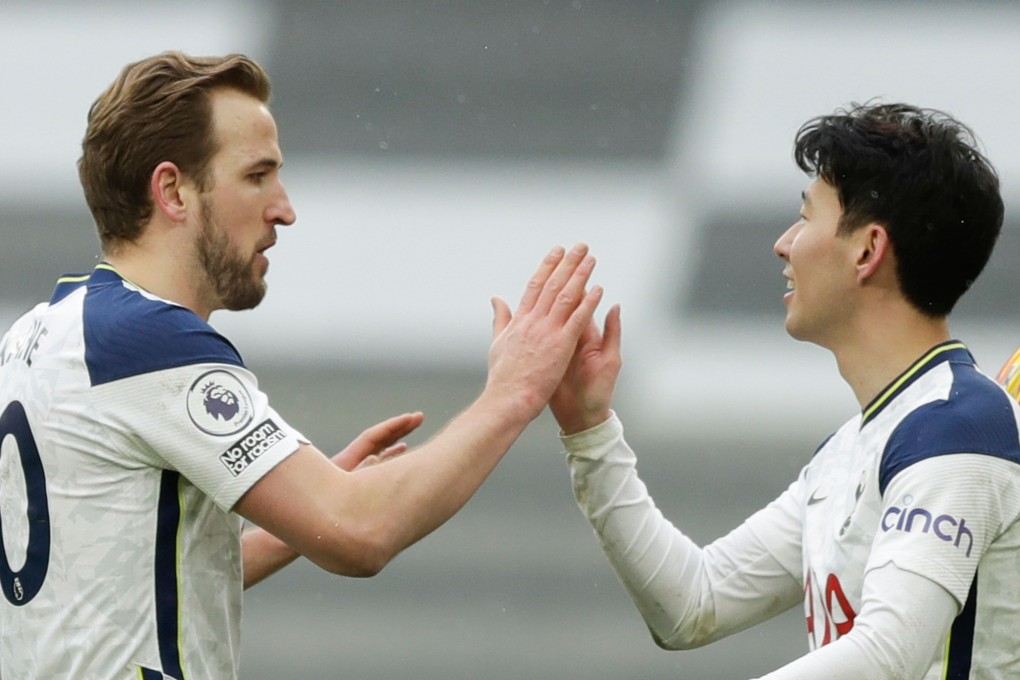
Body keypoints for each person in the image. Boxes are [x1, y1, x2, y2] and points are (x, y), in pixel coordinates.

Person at [0, 51, 604, 679]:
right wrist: (514, 391)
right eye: (257, 176)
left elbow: (126, 582)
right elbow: (360, 532)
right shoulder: (147, 339)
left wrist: (294, 510)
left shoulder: (39, 335)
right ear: (173, 190)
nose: (284, 209)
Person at [549, 102, 1019, 678]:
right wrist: (590, 433)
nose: (783, 243)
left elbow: (887, 655)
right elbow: (692, 604)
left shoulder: (960, 428)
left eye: (806, 217)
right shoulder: (857, 448)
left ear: (867, 251)